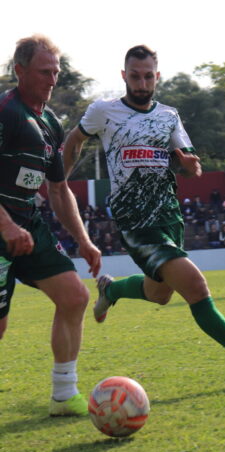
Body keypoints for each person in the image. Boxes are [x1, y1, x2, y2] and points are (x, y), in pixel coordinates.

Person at [63, 44, 225, 376]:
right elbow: (75, 139)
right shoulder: (103, 111)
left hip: (168, 216)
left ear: (157, 77)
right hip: (135, 220)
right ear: (124, 76)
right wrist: (59, 179)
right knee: (196, 286)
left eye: (148, 76)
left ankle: (112, 289)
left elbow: (190, 163)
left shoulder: (169, 115)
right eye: (135, 76)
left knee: (160, 293)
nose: (141, 83)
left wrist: (190, 164)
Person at [0, 35, 101, 416]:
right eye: (45, 71)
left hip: (30, 225)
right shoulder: (5, 112)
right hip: (3, 228)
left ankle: (64, 393)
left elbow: (59, 191)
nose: (53, 79)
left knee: (75, 296)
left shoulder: (50, 124)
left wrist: (84, 241)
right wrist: (6, 226)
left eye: (56, 72)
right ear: (20, 70)